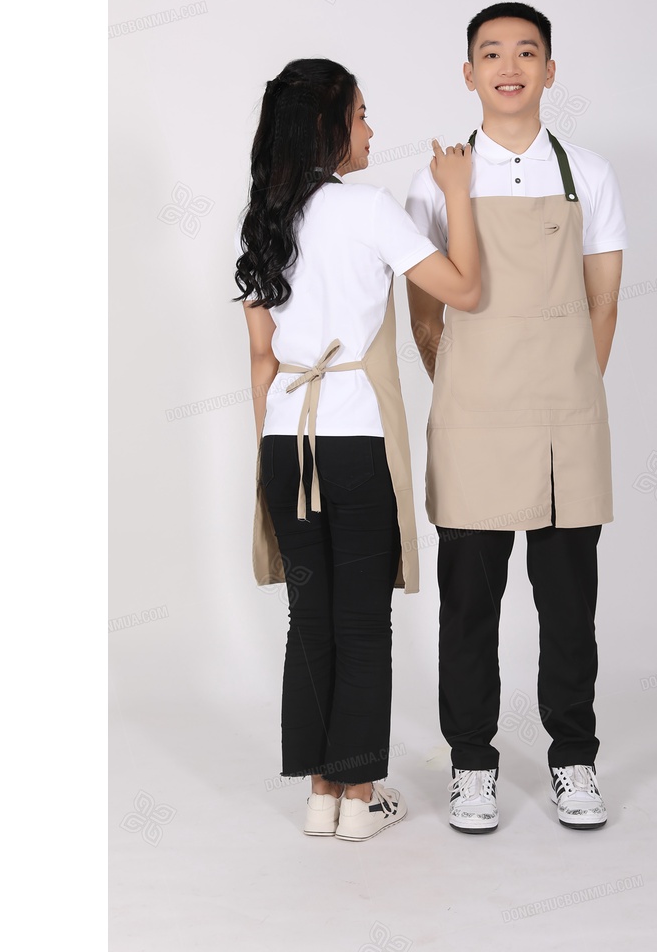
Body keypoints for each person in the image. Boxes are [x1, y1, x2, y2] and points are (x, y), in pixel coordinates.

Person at [234, 58, 479, 842]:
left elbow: (262, 359)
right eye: (363, 113)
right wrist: (457, 192)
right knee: (363, 622)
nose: (372, 128)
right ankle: (360, 799)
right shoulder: (368, 209)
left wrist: (272, 448)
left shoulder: (264, 218)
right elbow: (466, 289)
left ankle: (319, 796)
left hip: (285, 444)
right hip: (353, 443)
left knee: (310, 620)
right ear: (329, 125)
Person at [405, 3, 627, 833]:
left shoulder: (589, 174)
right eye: (492, 53)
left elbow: (603, 304)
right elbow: (425, 313)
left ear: (550, 70)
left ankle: (574, 759)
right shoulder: (437, 181)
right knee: (469, 607)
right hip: (473, 420)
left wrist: (566, 389)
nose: (510, 66)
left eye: (527, 52)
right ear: (468, 73)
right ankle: (471, 766)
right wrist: (464, 387)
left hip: (566, 417)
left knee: (569, 605)